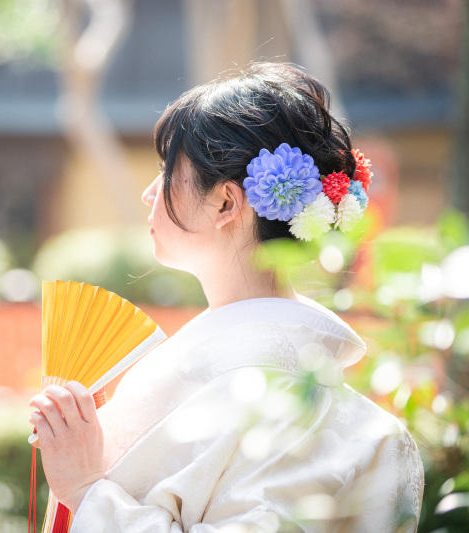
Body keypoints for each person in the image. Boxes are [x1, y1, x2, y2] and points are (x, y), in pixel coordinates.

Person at [29, 62, 424, 532]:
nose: (149, 194)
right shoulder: (293, 390)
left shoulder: (281, 403)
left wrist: (88, 490)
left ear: (225, 203)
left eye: (166, 170)